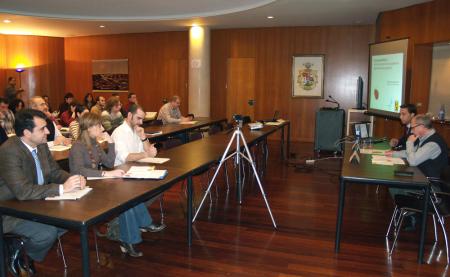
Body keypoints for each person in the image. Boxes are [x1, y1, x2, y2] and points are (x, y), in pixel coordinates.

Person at [0, 109, 86, 275]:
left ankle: (24, 251)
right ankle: (21, 255)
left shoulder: (41, 144)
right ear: (26, 133)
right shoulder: (8, 151)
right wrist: (62, 188)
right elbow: (23, 191)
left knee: (71, 220)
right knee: (46, 233)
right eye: (42, 129)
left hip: (38, 203)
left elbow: (55, 172)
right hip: (11, 210)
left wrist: (75, 179)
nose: (48, 131)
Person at [69, 112, 158, 257]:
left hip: (96, 185)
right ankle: (128, 239)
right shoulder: (78, 147)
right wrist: (106, 174)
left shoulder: (94, 143)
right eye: (98, 125)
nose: (101, 128)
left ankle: (142, 224)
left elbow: (109, 162)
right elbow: (80, 170)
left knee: (128, 194)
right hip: (83, 190)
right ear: (89, 128)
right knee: (123, 199)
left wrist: (110, 142)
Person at [387, 114, 448, 230]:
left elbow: (413, 160)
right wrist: (393, 153)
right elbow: (412, 153)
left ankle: (413, 215)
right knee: (393, 181)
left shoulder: (432, 144)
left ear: (422, 126)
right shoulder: (425, 138)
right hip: (423, 179)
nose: (411, 130)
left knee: (395, 184)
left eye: (413, 127)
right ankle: (410, 213)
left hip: (432, 187)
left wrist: (409, 142)